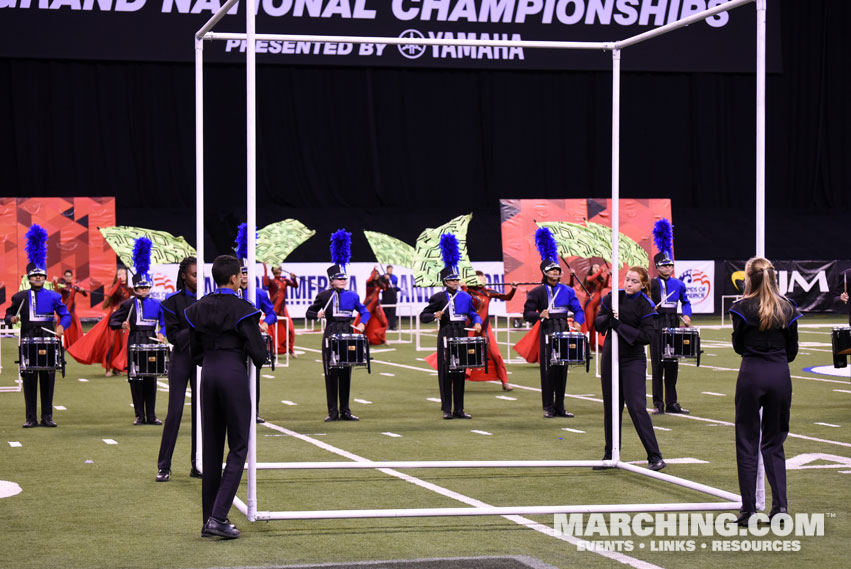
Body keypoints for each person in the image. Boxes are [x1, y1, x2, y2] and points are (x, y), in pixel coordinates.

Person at [185, 255, 267, 539]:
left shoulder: (198, 307)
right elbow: (260, 354)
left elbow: (194, 350)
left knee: (211, 449)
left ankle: (209, 517)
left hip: (207, 372)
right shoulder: (242, 308)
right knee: (239, 446)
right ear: (234, 278)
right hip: (232, 373)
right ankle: (218, 517)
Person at [729, 257, 801, 526]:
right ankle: (780, 507)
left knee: (747, 442)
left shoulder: (741, 308)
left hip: (751, 374)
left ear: (749, 278)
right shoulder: (788, 307)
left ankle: (748, 510)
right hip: (779, 374)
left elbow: (738, 346)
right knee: (774, 444)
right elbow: (792, 350)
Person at [593, 266, 666, 472]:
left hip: (632, 360)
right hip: (610, 357)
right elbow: (598, 324)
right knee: (611, 406)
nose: (628, 284)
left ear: (643, 284)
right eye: (627, 280)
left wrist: (618, 325)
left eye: (634, 281)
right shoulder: (612, 298)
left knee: (636, 406)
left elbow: (645, 337)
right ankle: (610, 454)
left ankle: (655, 456)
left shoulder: (646, 305)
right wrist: (609, 319)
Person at [4, 225, 71, 428]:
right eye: (34, 276)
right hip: (27, 340)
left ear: (45, 277)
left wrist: (61, 327)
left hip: (48, 340)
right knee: (30, 379)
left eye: (41, 276)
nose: (38, 279)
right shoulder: (20, 297)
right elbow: (8, 314)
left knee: (48, 379)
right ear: (29, 278)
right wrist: (11, 319)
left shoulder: (54, 296)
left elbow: (65, 315)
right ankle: (31, 418)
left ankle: (47, 417)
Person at [306, 231, 370, 421]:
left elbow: (364, 311)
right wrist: (317, 314)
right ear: (332, 280)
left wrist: (363, 324)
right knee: (331, 373)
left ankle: (346, 410)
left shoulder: (353, 295)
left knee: (346, 373)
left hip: (348, 333)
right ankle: (332, 412)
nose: (343, 281)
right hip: (330, 333)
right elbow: (309, 312)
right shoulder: (324, 296)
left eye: (344, 279)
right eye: (339, 279)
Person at [523, 228, 585, 418]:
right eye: (552, 270)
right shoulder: (537, 292)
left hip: (563, 330)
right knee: (548, 370)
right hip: (547, 332)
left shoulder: (567, 290)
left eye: (558, 270)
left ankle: (561, 406)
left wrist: (577, 322)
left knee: (562, 369)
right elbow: (526, 313)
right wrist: (539, 315)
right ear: (545, 272)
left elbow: (579, 310)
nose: (556, 272)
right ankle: (548, 407)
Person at [419, 234, 483, 420]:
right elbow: (423, 316)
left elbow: (472, 313)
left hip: (461, 333)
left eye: (457, 280)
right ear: (445, 281)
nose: (456, 282)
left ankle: (459, 409)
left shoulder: (464, 296)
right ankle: (447, 408)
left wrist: (477, 322)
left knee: (461, 371)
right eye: (452, 280)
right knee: (446, 372)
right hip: (446, 334)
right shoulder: (438, 297)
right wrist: (434, 315)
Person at [110, 239, 166, 426]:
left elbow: (165, 322)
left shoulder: (158, 304)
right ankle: (139, 415)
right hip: (135, 340)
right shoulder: (128, 304)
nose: (144, 290)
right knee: (136, 378)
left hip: (151, 340)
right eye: (140, 287)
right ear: (135, 288)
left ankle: (151, 415)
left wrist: (162, 333)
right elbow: (113, 321)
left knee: (151, 377)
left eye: (146, 287)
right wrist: (122, 326)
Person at [156, 257, 200, 482]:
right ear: (184, 276)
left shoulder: (208, 299)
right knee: (175, 412)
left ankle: (198, 463)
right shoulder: (171, 302)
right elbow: (174, 337)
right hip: (182, 360)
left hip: (203, 362)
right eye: (193, 274)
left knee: (201, 415)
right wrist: (196, 324)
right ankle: (164, 466)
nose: (197, 278)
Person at [649, 219, 692, 415]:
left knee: (672, 363)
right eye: (664, 266)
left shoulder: (679, 284)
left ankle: (672, 403)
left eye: (670, 265)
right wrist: (651, 307)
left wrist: (687, 315)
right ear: (657, 267)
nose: (668, 268)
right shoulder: (651, 284)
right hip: (657, 324)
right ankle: (658, 403)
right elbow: (644, 302)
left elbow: (686, 302)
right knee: (658, 365)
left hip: (673, 322)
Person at [67, 266, 130, 376]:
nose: (122, 276)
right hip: (114, 317)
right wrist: (118, 281)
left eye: (124, 274)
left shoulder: (129, 289)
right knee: (111, 343)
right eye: (119, 274)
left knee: (121, 344)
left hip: (125, 318)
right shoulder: (115, 287)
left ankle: (116, 368)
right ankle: (107, 369)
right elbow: (111, 294)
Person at [465, 270, 516, 390]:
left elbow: (506, 297)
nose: (484, 280)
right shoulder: (466, 292)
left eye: (485, 278)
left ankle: (504, 381)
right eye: (482, 278)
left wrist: (513, 289)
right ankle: (455, 383)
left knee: (496, 354)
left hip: (484, 328)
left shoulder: (488, 292)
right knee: (463, 354)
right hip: (470, 326)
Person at [239, 266, 277, 423]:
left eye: (247, 273)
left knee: (254, 376)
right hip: (235, 339)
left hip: (253, 338)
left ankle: (254, 412)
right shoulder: (231, 292)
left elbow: (272, 313)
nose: (245, 276)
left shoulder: (259, 293)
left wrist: (267, 323)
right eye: (242, 273)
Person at [263, 264, 298, 357]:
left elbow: (295, 285)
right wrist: (265, 268)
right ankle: (271, 351)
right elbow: (265, 283)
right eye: (274, 267)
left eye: (278, 267)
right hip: (272, 308)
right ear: (272, 271)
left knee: (291, 330)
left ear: (281, 270)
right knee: (269, 332)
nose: (276, 268)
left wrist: (293, 278)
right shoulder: (271, 281)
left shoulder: (285, 280)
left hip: (282, 309)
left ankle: (291, 349)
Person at [53, 269, 88, 348]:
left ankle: (76, 344)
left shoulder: (74, 287)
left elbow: (85, 295)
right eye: (66, 276)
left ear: (72, 277)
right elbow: (57, 291)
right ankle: (61, 344)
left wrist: (82, 290)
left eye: (69, 276)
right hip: (64, 310)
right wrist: (55, 282)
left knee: (76, 327)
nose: (68, 278)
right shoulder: (62, 286)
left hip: (72, 311)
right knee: (62, 326)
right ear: (64, 277)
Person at [582, 263, 610, 350]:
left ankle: (594, 344)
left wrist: (608, 275)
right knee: (589, 325)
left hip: (597, 304)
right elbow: (590, 279)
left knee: (596, 324)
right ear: (591, 269)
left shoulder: (600, 279)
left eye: (599, 267)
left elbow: (605, 285)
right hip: (589, 304)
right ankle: (586, 344)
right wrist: (601, 270)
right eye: (595, 267)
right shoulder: (588, 278)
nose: (598, 269)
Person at [359, 265, 388, 345]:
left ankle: (382, 338)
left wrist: (387, 280)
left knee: (384, 321)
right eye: (374, 274)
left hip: (376, 306)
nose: (376, 276)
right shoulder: (368, 284)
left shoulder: (379, 284)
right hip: (368, 305)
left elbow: (386, 288)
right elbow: (369, 280)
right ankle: (363, 339)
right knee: (365, 322)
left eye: (377, 274)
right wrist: (374, 270)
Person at [381, 265, 401, 330]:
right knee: (386, 312)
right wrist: (385, 278)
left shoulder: (394, 277)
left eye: (391, 269)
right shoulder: (383, 276)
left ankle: (393, 326)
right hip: (386, 297)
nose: (390, 270)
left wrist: (390, 279)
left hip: (393, 297)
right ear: (387, 270)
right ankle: (386, 325)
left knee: (393, 312)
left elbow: (394, 285)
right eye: (389, 269)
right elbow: (380, 281)